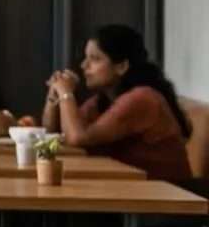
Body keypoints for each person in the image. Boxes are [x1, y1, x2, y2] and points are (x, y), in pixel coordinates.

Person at [45, 25, 195, 184]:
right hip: (133, 188)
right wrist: (53, 95)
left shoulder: (142, 99)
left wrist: (66, 94)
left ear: (122, 66)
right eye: (85, 57)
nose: (84, 65)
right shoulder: (103, 100)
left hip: (169, 194)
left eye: (94, 59)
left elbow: (76, 138)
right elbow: (52, 131)